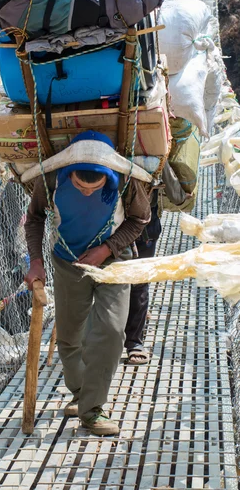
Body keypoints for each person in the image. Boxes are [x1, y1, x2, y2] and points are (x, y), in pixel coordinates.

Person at [24, 130, 151, 436]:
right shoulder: (50, 180)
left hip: (114, 263)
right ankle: (82, 393)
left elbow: (140, 219)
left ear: (109, 177)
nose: (85, 192)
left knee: (109, 329)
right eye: (79, 186)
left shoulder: (127, 180)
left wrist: (106, 249)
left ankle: (93, 410)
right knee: (70, 336)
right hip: (67, 262)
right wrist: (36, 261)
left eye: (94, 188)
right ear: (68, 174)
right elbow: (35, 218)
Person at [124, 162, 191, 365]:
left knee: (138, 281)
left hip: (141, 224)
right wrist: (181, 197)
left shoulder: (151, 145)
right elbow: (177, 195)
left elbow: (168, 176)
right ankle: (127, 338)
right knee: (124, 283)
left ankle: (134, 341)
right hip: (112, 222)